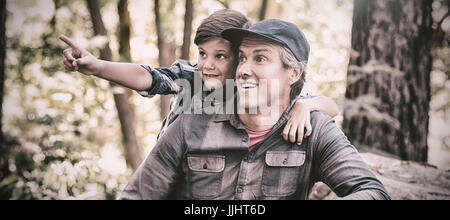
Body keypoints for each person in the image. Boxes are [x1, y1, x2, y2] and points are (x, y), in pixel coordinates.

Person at [119, 19, 390, 200]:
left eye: (260, 58)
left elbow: (372, 191)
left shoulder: (314, 130)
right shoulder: (193, 124)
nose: (244, 70)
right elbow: (137, 195)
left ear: (293, 73)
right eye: (242, 58)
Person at [60, 9, 339, 145]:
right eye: (202, 53)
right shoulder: (191, 77)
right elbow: (149, 77)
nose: (206, 65)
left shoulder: (252, 93)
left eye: (220, 56)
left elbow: (330, 105)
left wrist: (305, 105)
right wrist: (96, 66)